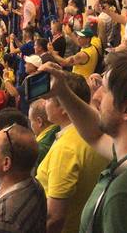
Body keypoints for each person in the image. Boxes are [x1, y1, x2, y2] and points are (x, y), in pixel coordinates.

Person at [37, 48, 127, 233]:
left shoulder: (126, 198)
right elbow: (96, 135)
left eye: (105, 90)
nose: (96, 96)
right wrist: (62, 92)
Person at [35, 72, 108, 233]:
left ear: (63, 107)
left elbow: (54, 218)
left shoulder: (66, 149)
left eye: (49, 99)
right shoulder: (97, 132)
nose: (44, 103)